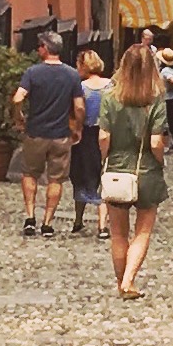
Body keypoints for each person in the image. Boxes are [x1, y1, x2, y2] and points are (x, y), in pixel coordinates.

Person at [100, 37, 173, 299]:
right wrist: (161, 161)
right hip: (146, 172)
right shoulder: (155, 98)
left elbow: (103, 137)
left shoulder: (109, 97)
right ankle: (129, 281)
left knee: (118, 233)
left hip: (117, 169)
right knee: (142, 231)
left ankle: (122, 281)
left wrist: (105, 159)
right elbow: (156, 141)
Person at [10, 27, 84, 237]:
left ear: (45, 48)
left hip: (36, 133)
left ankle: (30, 216)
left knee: (30, 174)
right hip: (61, 134)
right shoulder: (71, 75)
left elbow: (17, 98)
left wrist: (19, 117)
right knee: (56, 179)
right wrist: (77, 128)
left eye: (39, 46)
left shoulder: (32, 73)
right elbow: (79, 107)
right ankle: (48, 222)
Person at [70, 46, 108, 237]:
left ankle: (78, 219)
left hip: (85, 134)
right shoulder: (111, 86)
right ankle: (102, 225)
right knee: (104, 177)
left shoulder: (80, 88)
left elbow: (77, 111)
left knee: (81, 176)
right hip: (107, 133)